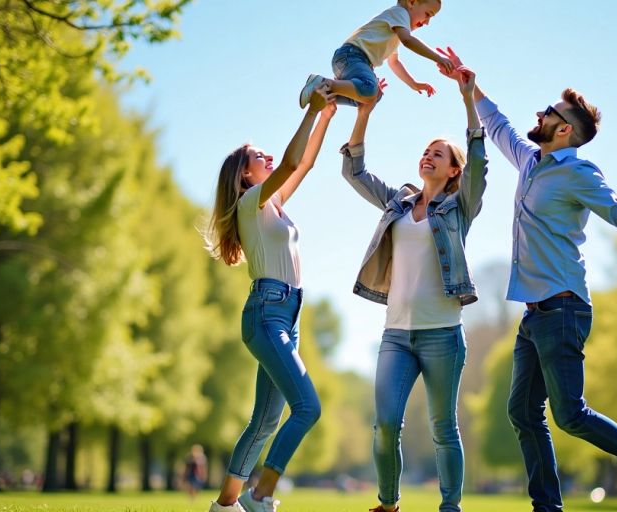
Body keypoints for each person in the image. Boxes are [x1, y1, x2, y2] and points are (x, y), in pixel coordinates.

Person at [436, 48, 617, 512]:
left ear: (564, 129)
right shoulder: (529, 161)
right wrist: (469, 86)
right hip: (535, 313)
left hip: (563, 308)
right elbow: (499, 125)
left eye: (550, 112)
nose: (540, 113)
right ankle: (547, 507)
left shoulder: (578, 173)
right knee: (522, 413)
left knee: (568, 413)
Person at [340, 68, 487, 512]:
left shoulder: (460, 206)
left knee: (444, 427)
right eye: (426, 151)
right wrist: (364, 111)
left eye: (438, 154)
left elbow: (480, 164)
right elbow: (354, 169)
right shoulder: (397, 203)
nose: (428, 156)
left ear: (453, 169)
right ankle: (389, 504)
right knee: (385, 423)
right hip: (396, 335)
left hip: (443, 334)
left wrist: (467, 101)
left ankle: (450, 508)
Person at [204, 87, 335, 512]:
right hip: (266, 313)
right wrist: (310, 109)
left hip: (286, 315)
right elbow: (294, 160)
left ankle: (226, 504)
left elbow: (306, 163)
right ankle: (261, 495)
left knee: (264, 421)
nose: (268, 158)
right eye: (259, 156)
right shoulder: (250, 202)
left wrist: (327, 117)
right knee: (307, 407)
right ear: (244, 174)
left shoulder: (272, 202)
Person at [298, 0, 454, 109]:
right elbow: (408, 41)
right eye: (428, 14)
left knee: (371, 98)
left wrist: (414, 84)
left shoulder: (394, 32)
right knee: (370, 87)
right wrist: (438, 58)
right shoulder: (400, 13)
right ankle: (322, 83)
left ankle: (323, 95)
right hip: (352, 56)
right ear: (412, 2)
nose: (427, 22)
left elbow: (394, 63)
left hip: (352, 62)